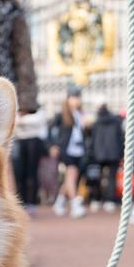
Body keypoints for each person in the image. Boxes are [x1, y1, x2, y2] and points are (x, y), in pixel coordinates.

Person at [52, 87, 87, 219]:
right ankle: (74, 204)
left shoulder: (79, 113)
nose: (76, 100)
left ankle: (59, 203)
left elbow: (81, 132)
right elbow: (51, 129)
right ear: (68, 98)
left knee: (70, 178)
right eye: (73, 97)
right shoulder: (61, 114)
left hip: (78, 150)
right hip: (66, 149)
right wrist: (53, 145)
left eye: (78, 97)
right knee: (71, 175)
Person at [87, 100, 124, 213]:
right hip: (113, 152)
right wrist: (121, 152)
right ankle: (110, 201)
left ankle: (97, 199)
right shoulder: (116, 120)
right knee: (111, 177)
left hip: (99, 153)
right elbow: (121, 138)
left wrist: (92, 152)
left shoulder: (96, 122)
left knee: (97, 177)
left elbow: (92, 139)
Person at [12, 110, 47, 215]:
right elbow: (13, 121)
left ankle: (32, 202)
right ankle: (21, 203)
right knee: (19, 174)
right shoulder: (16, 107)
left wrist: (21, 120)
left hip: (34, 142)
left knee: (32, 174)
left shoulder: (37, 110)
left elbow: (38, 120)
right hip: (18, 141)